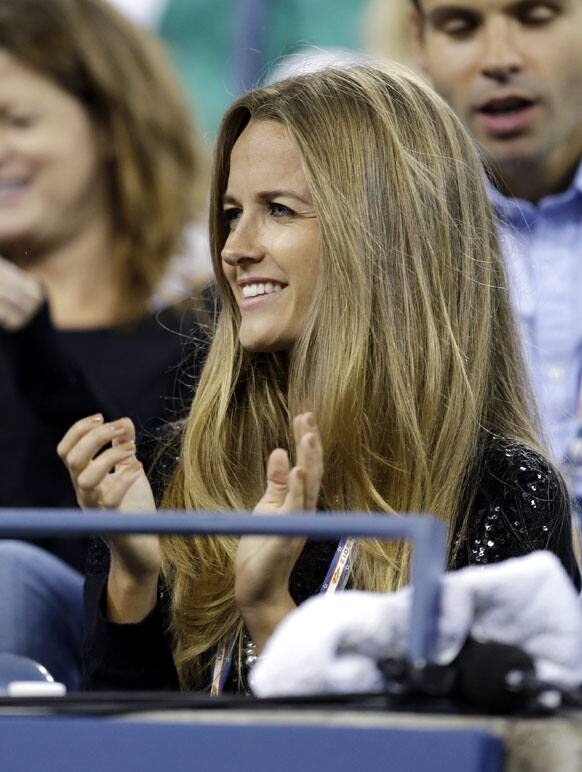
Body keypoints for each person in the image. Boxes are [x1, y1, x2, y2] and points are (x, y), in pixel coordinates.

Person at [59, 64, 580, 695]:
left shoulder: (501, 492)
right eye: (230, 213)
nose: (233, 248)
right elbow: (118, 754)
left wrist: (269, 611)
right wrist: (133, 576)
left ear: (385, 237)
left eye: (278, 210)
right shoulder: (171, 477)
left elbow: (440, 757)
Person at [0, 0, 210, 690]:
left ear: (113, 126)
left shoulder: (205, 324)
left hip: (114, 650)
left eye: (18, 120)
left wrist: (36, 350)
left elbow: (137, 524)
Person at [409, 0, 582, 505]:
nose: (499, 58)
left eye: (535, 17)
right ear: (419, 42)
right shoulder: (375, 239)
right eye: (461, 27)